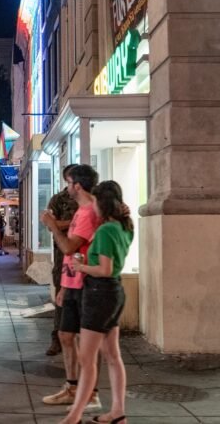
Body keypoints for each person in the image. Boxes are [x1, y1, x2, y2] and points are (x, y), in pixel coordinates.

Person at [60, 181, 133, 424]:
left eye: (95, 202)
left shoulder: (104, 231)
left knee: (87, 360)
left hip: (98, 293)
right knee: (113, 355)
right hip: (114, 293)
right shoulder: (124, 227)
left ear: (101, 203)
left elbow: (104, 269)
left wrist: (81, 266)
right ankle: (118, 412)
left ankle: (74, 416)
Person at [40, 164, 102, 412]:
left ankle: (91, 392)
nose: (66, 187)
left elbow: (69, 248)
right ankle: (73, 387)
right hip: (72, 281)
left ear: (77, 185)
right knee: (66, 336)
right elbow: (67, 255)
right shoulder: (80, 212)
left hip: (88, 283)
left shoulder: (90, 212)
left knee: (87, 341)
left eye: (68, 182)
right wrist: (64, 286)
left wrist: (53, 225)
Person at [44, 164, 79, 356]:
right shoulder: (58, 199)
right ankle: (57, 337)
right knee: (61, 298)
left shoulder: (90, 199)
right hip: (63, 257)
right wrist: (76, 222)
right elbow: (51, 225)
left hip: (85, 258)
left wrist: (61, 224)